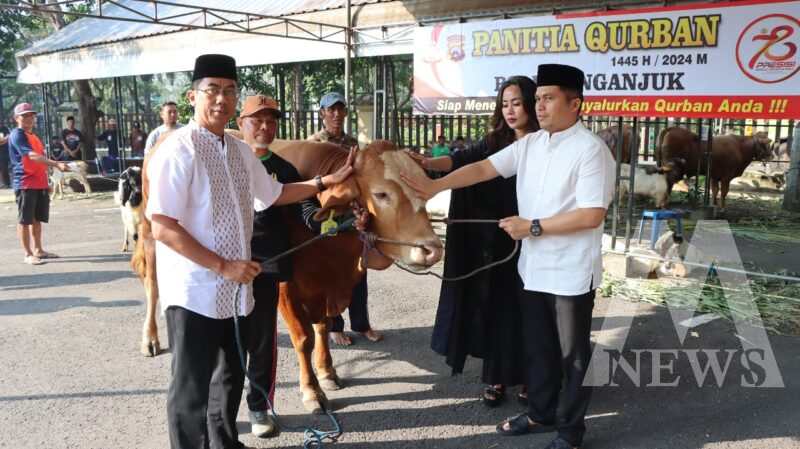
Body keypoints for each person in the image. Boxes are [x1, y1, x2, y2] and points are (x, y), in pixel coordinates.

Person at [402, 64, 615, 449]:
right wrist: (435, 185)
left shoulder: (591, 150)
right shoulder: (532, 144)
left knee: (573, 356)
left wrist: (532, 227)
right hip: (533, 269)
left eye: (548, 98)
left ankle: (570, 430)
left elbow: (591, 214)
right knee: (538, 349)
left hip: (570, 272)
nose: (541, 106)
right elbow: (484, 167)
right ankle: (540, 413)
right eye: (539, 99)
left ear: (576, 104)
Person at [146, 54, 354, 449]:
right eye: (212, 91)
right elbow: (163, 227)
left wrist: (326, 180)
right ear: (194, 96)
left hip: (235, 290)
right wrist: (222, 265)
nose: (221, 99)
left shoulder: (241, 152)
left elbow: (276, 194)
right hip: (194, 291)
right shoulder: (178, 150)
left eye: (229, 91)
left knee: (230, 375)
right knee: (191, 385)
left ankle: (224, 443)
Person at [419, 76, 539, 409]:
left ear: (530, 103)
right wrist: (428, 164)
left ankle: (531, 377)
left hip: (535, 239)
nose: (511, 110)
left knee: (528, 312)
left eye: (517, 103)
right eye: (505, 104)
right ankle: (497, 377)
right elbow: (463, 162)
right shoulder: (494, 141)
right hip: (496, 244)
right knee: (496, 309)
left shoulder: (545, 143)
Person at [236, 94, 302, 438]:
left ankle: (259, 407)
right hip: (226, 263)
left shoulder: (286, 168)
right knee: (225, 342)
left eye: (271, 120)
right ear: (240, 124)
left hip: (266, 265)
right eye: (257, 120)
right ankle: (221, 409)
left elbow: (305, 211)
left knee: (262, 340)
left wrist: (339, 220)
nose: (265, 126)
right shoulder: (226, 161)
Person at [307, 91, 382, 346]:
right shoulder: (313, 144)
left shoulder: (353, 144)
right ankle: (334, 326)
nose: (336, 114)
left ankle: (361, 324)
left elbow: (361, 180)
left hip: (353, 216)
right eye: (331, 110)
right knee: (332, 273)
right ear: (322, 114)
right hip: (327, 216)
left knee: (358, 271)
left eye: (340, 109)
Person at [7, 103, 69, 265]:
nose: (29, 118)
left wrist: (46, 180)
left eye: (31, 115)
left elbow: (40, 158)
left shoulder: (33, 136)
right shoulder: (18, 135)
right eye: (25, 115)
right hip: (25, 183)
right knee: (25, 220)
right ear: (16, 118)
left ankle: (38, 249)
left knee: (37, 219)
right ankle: (28, 254)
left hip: (39, 182)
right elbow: (32, 156)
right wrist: (56, 164)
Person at [0, 122, 10, 188]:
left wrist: (3, 141)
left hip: (4, 152)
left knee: (4, 168)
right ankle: (2, 183)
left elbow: (8, 137)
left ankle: (6, 183)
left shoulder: (5, 129)